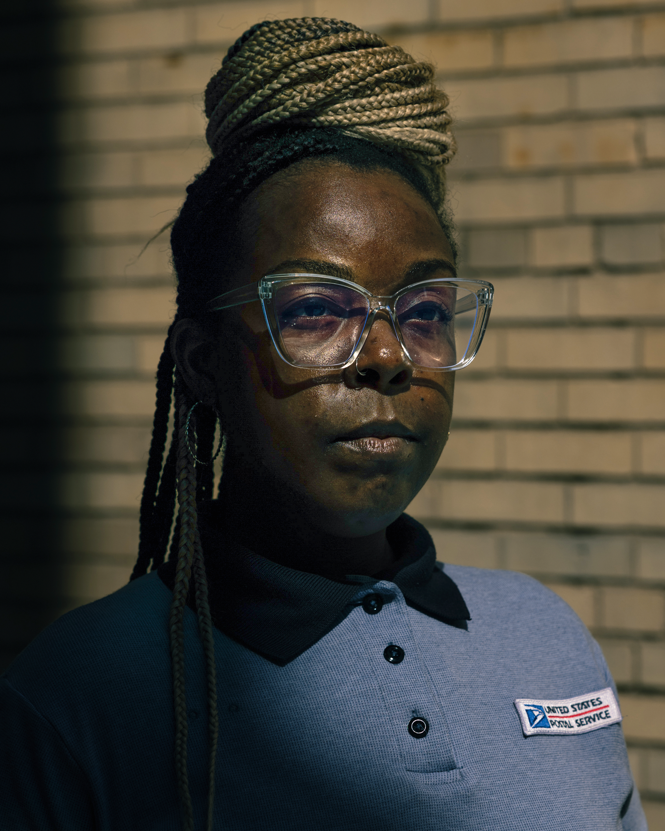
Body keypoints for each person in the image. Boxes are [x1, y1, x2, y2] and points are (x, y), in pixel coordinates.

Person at [0, 17, 646, 831]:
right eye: (312, 309)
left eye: (424, 308)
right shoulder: (78, 699)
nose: (386, 353)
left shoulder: (545, 637)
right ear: (202, 362)